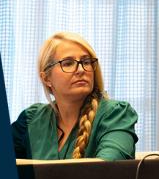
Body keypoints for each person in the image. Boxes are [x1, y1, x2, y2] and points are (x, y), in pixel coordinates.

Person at [12, 32, 138, 160]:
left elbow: (106, 171)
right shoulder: (31, 119)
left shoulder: (116, 114)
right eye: (67, 63)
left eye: (86, 62)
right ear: (46, 79)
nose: (81, 70)